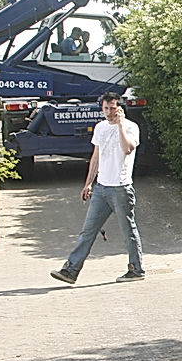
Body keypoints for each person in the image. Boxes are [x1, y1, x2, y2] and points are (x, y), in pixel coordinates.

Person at [50, 92, 145, 284]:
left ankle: (136, 269)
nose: (109, 113)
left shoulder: (130, 127)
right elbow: (96, 157)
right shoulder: (100, 128)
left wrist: (119, 126)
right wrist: (88, 183)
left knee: (128, 230)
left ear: (120, 108)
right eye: (106, 109)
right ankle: (71, 270)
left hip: (121, 188)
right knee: (88, 231)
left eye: (113, 108)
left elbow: (128, 149)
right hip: (102, 188)